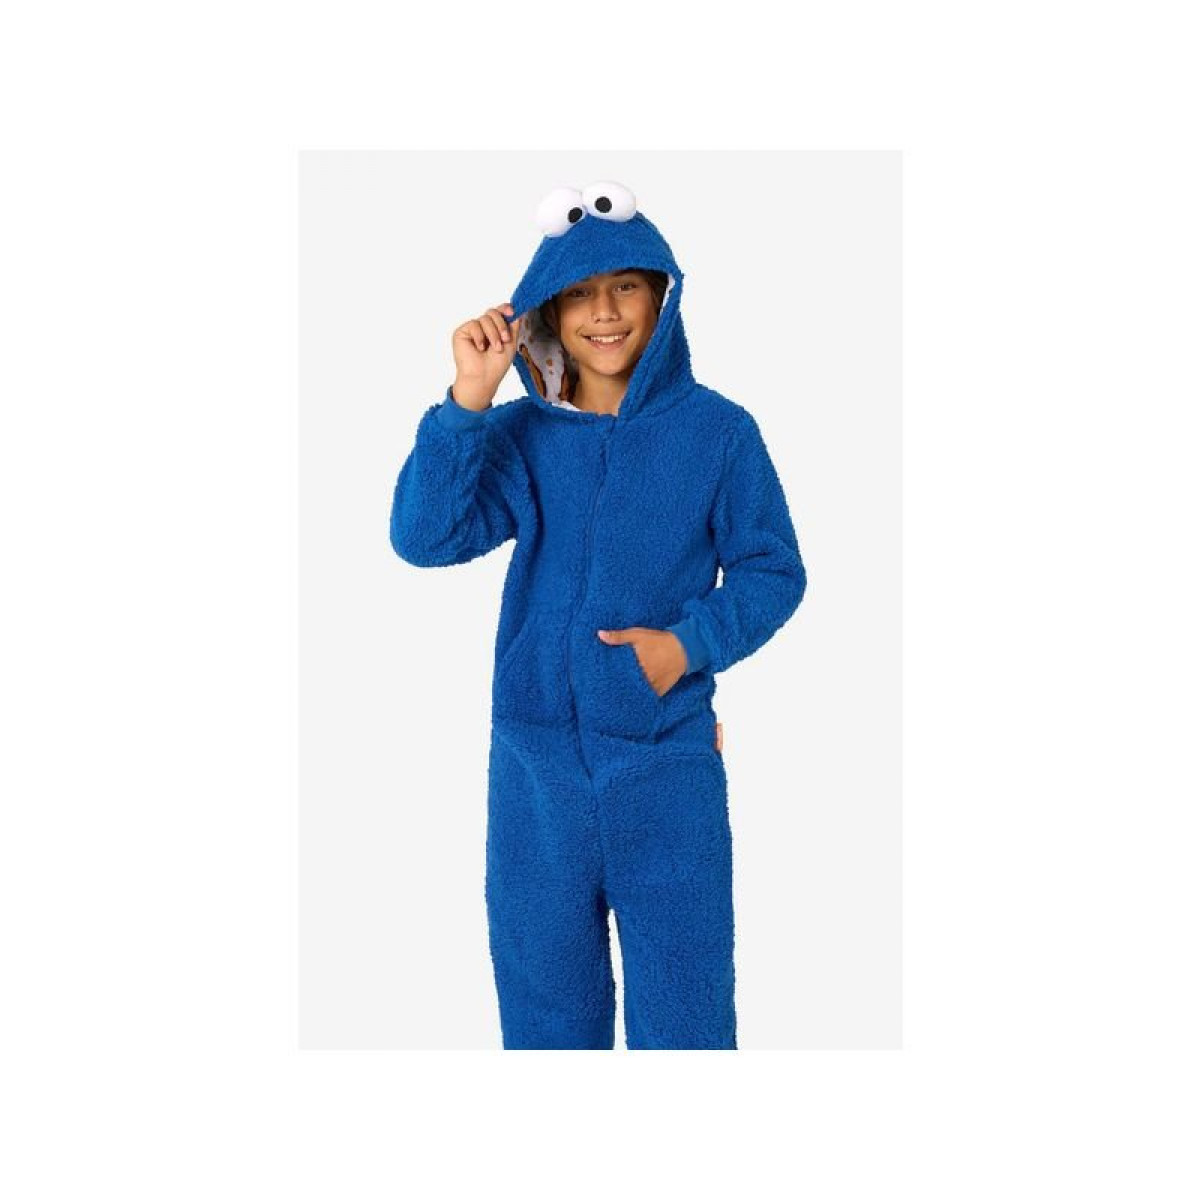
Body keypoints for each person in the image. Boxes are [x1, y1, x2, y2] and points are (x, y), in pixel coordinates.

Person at [390, 180, 807, 1049]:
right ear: (544, 312)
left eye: (625, 287)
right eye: (578, 293)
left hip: (667, 767)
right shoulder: (520, 435)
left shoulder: (719, 432)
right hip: (534, 772)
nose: (604, 312)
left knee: (686, 1014)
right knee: (545, 1014)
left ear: (662, 297)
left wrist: (685, 645)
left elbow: (773, 571)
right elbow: (425, 538)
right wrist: (466, 403)